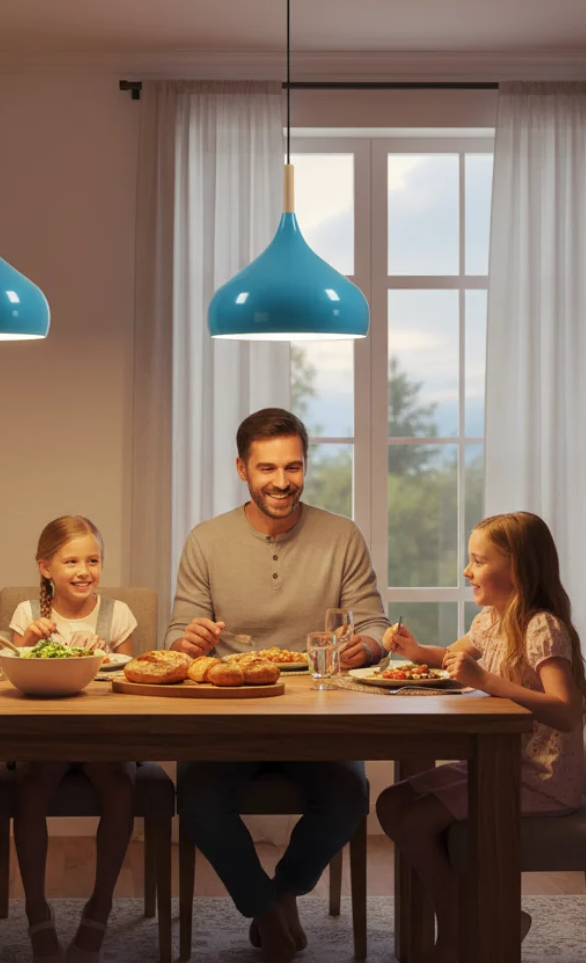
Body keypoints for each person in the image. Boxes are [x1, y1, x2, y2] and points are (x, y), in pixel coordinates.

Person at [166, 407, 389, 963]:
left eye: (293, 467)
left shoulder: (342, 536)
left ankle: (285, 890)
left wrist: (371, 645)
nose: (282, 482)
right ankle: (264, 907)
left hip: (318, 715)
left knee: (348, 796)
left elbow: (375, 625)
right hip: (227, 716)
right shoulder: (206, 540)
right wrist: (188, 641)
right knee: (197, 800)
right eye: (268, 468)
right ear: (242, 469)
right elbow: (175, 635)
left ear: (305, 466)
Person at [376, 511, 586, 963]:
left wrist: (487, 681)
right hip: (501, 766)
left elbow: (568, 711)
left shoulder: (541, 627)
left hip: (541, 779)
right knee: (391, 803)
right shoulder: (492, 619)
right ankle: (479, 916)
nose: (466, 571)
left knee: (415, 819)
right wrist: (418, 652)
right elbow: (454, 657)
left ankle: (458, 927)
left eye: (477, 561)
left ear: (516, 569)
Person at [9, 515, 137, 963]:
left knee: (121, 790)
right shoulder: (29, 614)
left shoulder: (117, 613)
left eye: (93, 560)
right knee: (29, 791)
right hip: (46, 734)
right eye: (71, 561)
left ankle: (100, 905)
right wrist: (27, 640)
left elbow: (133, 681)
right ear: (46, 568)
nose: (84, 570)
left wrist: (105, 651)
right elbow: (11, 676)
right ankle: (36, 909)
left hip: (101, 734)